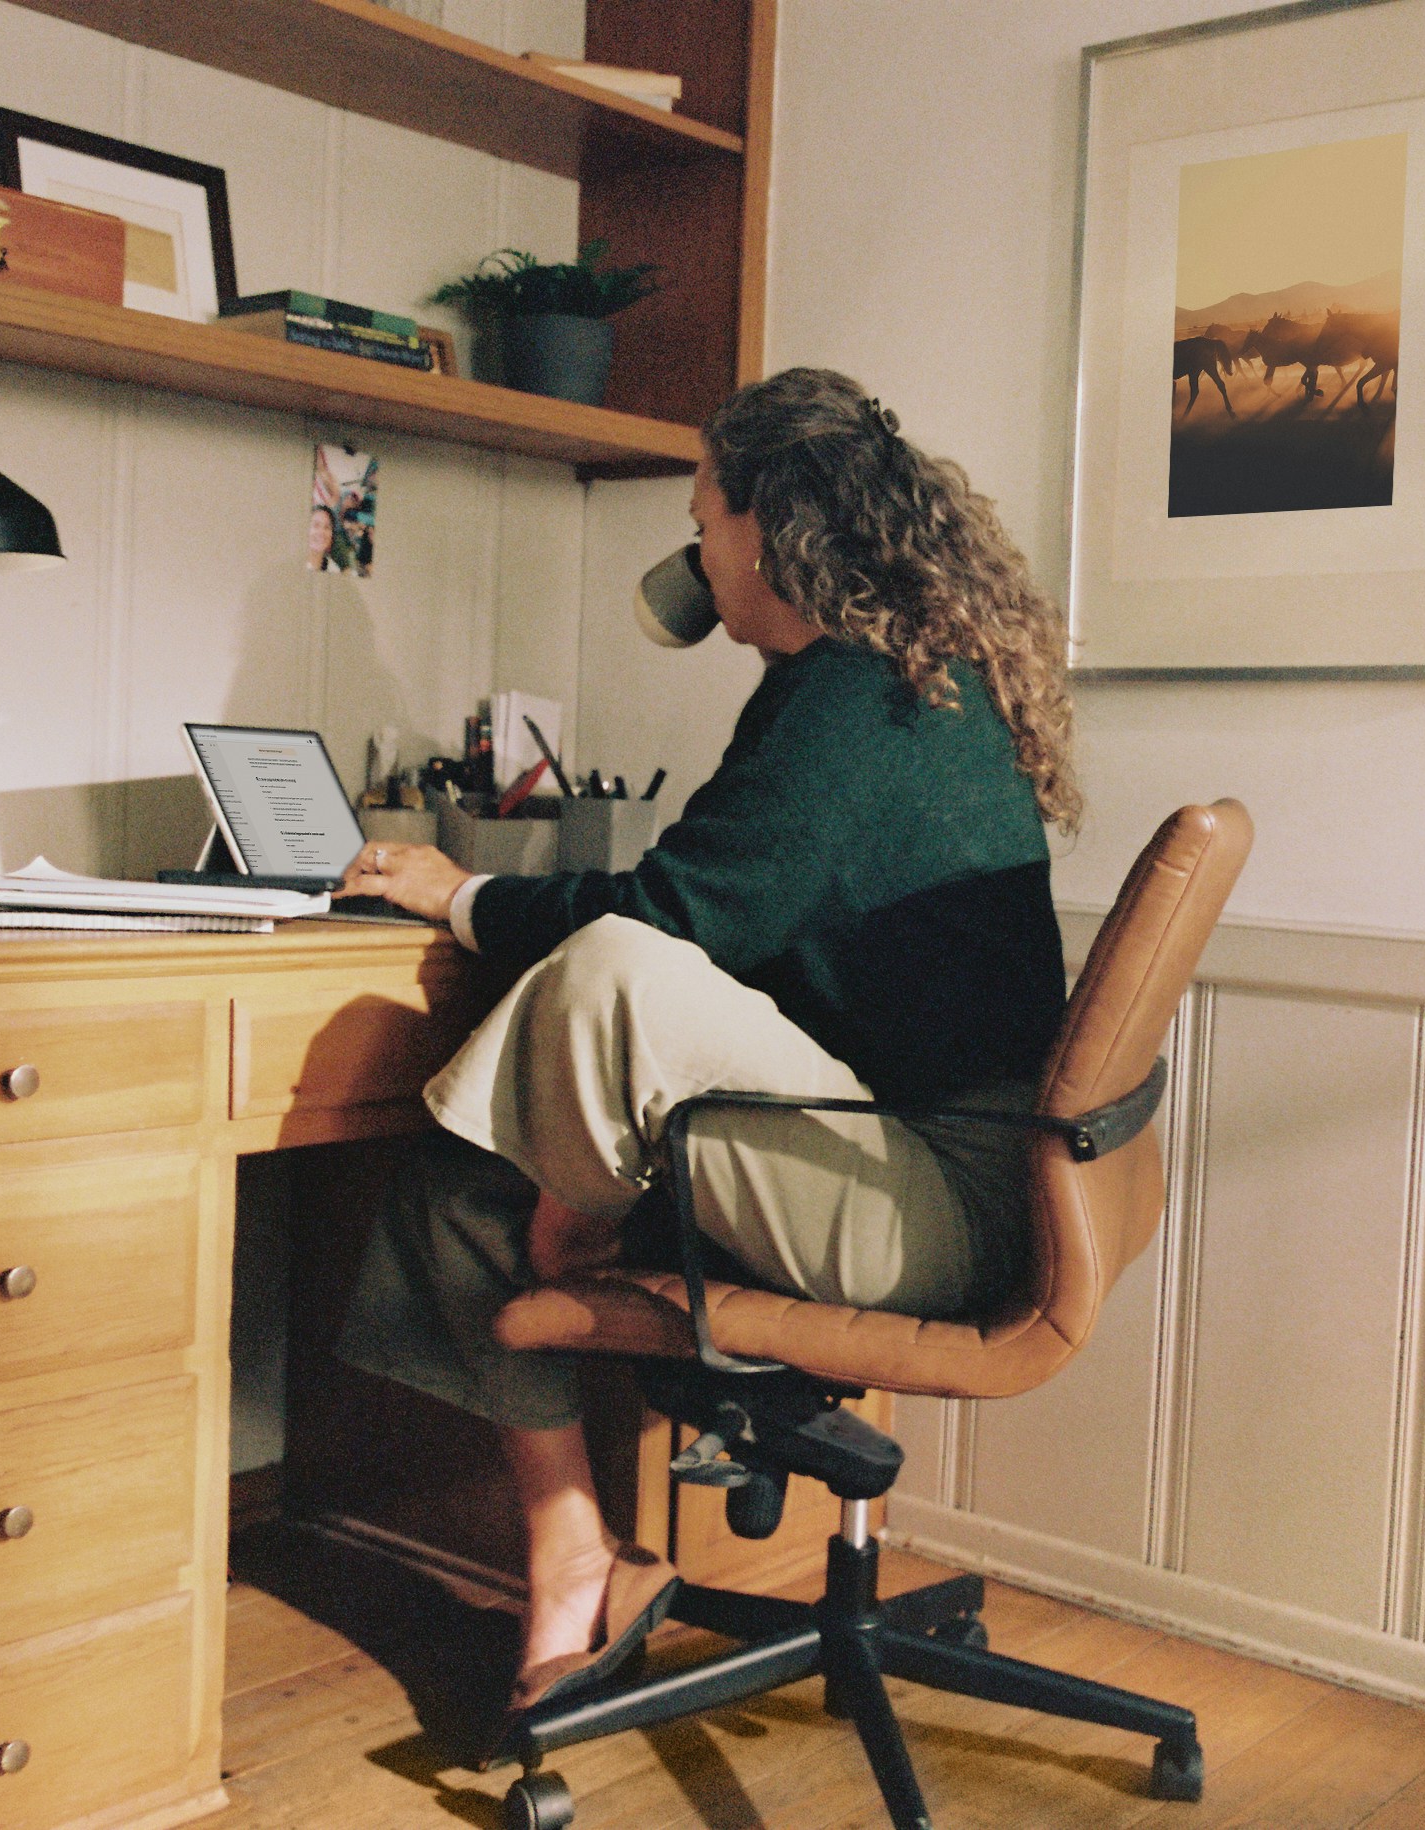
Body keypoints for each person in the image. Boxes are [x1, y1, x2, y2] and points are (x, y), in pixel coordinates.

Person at [330, 366, 1082, 1720]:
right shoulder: (900, 677)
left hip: (931, 1203)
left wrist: (458, 891)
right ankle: (578, 1551)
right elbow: (758, 923)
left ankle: (572, 1504)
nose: (694, 547)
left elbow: (674, 922)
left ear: (763, 528)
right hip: (947, 1165)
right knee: (456, 1177)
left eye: (701, 511)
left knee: (608, 978)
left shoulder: (854, 700)